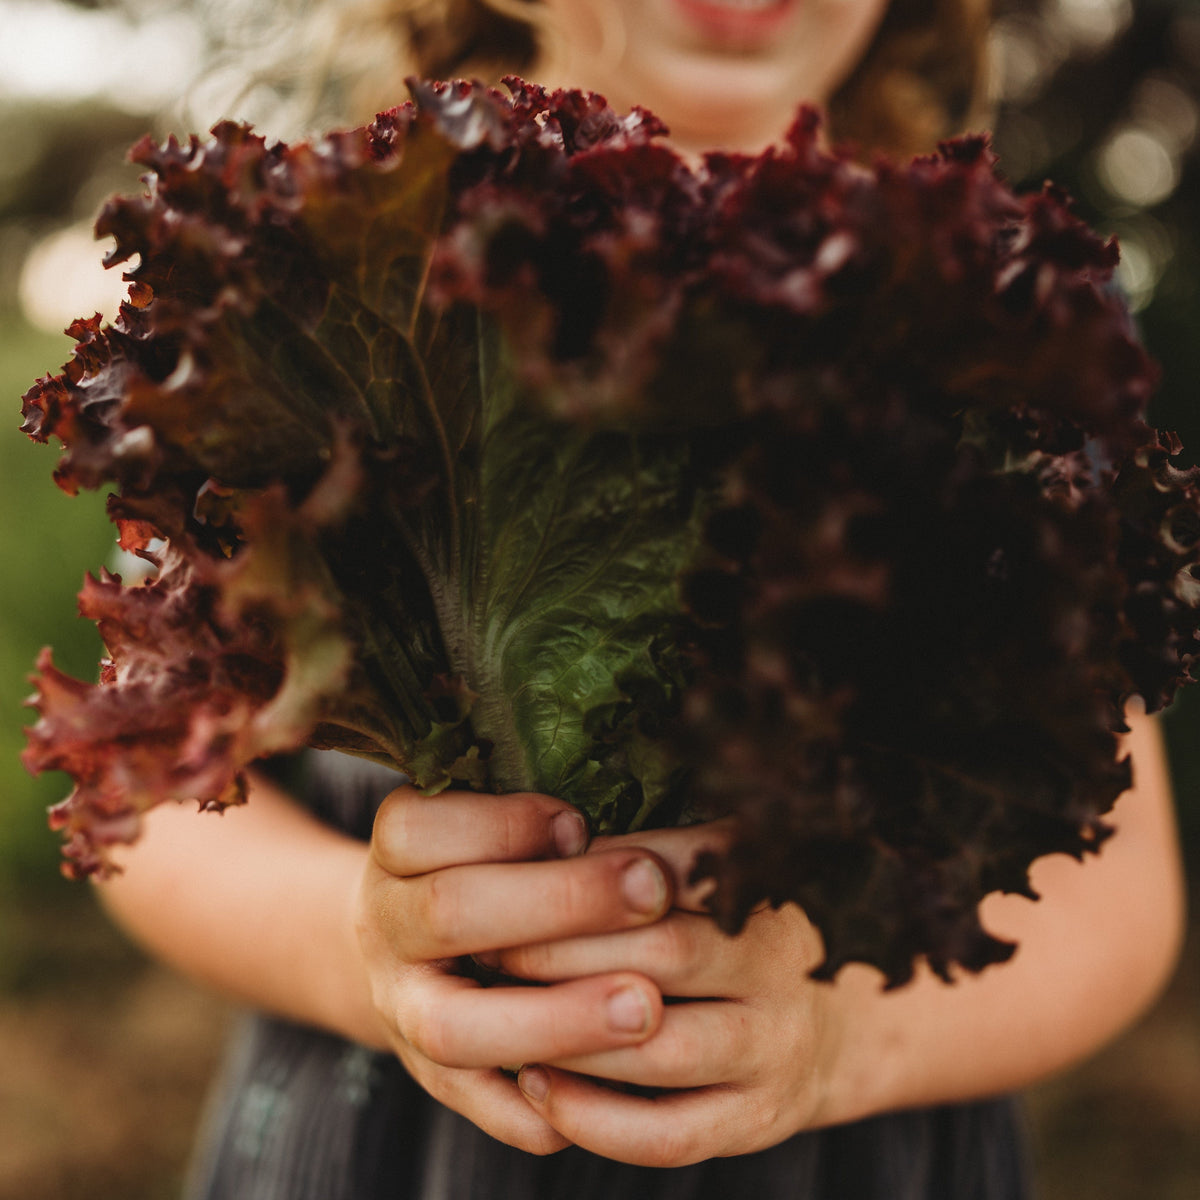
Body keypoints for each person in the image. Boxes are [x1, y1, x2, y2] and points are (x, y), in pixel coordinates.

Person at [98, 1, 1187, 1197]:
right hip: (388, 1151)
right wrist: (366, 955)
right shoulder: (336, 270)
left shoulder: (996, 319)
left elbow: (1116, 902)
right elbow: (144, 771)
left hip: (851, 1149)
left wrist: (838, 1042)